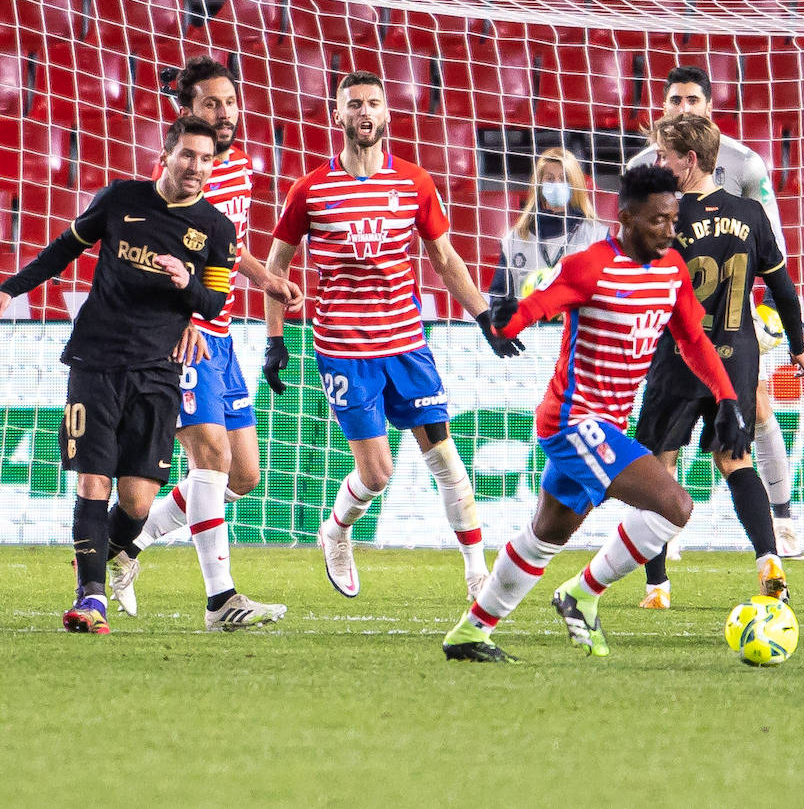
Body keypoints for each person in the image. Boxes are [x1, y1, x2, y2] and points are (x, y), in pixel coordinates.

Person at [441, 165, 749, 663]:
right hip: (574, 419)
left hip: (607, 423)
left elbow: (693, 340)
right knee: (675, 506)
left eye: (673, 220)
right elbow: (541, 303)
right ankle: (582, 595)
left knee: (548, 534)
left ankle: (469, 633)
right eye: (658, 222)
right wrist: (505, 320)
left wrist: (728, 398)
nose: (670, 231)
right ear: (625, 217)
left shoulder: (672, 272)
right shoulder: (590, 266)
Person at [263, 70, 523, 603]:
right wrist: (275, 340)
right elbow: (276, 266)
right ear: (338, 115)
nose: (364, 111)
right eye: (354, 103)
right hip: (344, 351)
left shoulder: (414, 182)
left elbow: (446, 260)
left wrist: (483, 318)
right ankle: (335, 531)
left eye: (374, 103)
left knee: (446, 461)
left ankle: (477, 571)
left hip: (406, 343)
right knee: (377, 474)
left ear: (387, 115)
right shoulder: (310, 189)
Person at [0, 117, 236, 634]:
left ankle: (107, 556)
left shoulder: (217, 229)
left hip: (158, 372)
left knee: (136, 501)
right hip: (96, 360)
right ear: (168, 154)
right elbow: (65, 247)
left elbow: (216, 304)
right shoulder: (120, 198)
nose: (196, 167)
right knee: (91, 481)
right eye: (188, 155)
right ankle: (91, 598)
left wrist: (186, 285)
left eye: (205, 159)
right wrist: (11, 288)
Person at [106, 57, 302, 630]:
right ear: (186, 111)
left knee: (243, 475)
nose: (224, 114)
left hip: (221, 337)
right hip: (182, 334)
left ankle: (128, 544)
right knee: (210, 456)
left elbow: (222, 244)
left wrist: (263, 276)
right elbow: (174, 245)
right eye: (211, 104)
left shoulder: (237, 165)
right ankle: (222, 601)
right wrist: (191, 312)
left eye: (230, 103)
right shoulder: (183, 170)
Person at [626, 65, 803, 562]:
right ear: (664, 106)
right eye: (675, 100)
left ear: (708, 106)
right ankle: (673, 529)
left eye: (692, 100)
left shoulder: (746, 164)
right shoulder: (644, 165)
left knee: (754, 407)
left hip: (737, 303)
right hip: (688, 318)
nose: (684, 108)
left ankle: (784, 517)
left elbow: (773, 241)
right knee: (700, 441)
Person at [488, 147, 608, 301]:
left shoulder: (596, 235)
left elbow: (609, 291)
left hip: (578, 323)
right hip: (529, 323)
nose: (557, 184)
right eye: (550, 179)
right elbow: (498, 298)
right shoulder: (514, 239)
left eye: (563, 179)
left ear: (574, 184)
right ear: (539, 184)